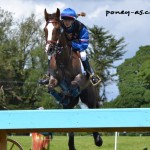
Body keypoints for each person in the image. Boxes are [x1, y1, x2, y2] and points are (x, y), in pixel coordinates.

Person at [39, 8, 101, 86]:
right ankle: (48, 75)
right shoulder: (60, 24)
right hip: (63, 47)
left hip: (78, 46)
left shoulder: (81, 28)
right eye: (65, 19)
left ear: (73, 20)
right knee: (50, 54)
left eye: (69, 20)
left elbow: (84, 45)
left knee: (83, 55)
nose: (67, 22)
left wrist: (71, 44)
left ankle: (91, 74)